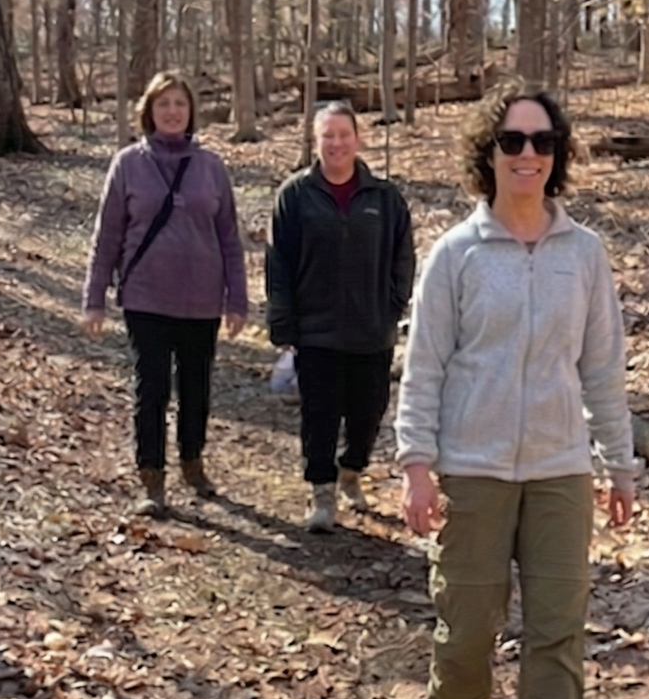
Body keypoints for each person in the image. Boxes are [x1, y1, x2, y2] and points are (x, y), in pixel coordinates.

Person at [395, 90, 635, 699]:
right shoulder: (456, 255)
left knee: (558, 629)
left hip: (560, 469)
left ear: (558, 154)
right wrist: (416, 466)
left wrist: (618, 462)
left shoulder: (584, 254)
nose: (526, 153)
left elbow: (602, 368)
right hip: (472, 466)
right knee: (467, 623)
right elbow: (424, 366)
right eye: (511, 140)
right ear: (488, 152)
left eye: (541, 140)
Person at [83, 71, 247, 517]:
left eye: (179, 103)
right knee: (151, 388)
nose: (172, 112)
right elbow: (108, 236)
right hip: (146, 297)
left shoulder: (211, 166)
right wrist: (93, 298)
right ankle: (151, 480)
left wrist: (237, 299)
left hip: (201, 299)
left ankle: (193, 463)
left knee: (197, 388)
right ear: (148, 113)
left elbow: (230, 235)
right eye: (163, 104)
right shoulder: (128, 164)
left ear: (191, 111)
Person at [266, 100, 415, 533]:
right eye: (327, 136)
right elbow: (279, 263)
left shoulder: (385, 198)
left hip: (372, 330)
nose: (336, 143)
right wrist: (284, 322)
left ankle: (352, 469)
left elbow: (403, 258)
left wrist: (392, 306)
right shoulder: (294, 196)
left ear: (358, 139)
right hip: (317, 331)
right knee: (320, 415)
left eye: (343, 135)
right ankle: (322, 493)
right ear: (316, 141)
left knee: (368, 413)